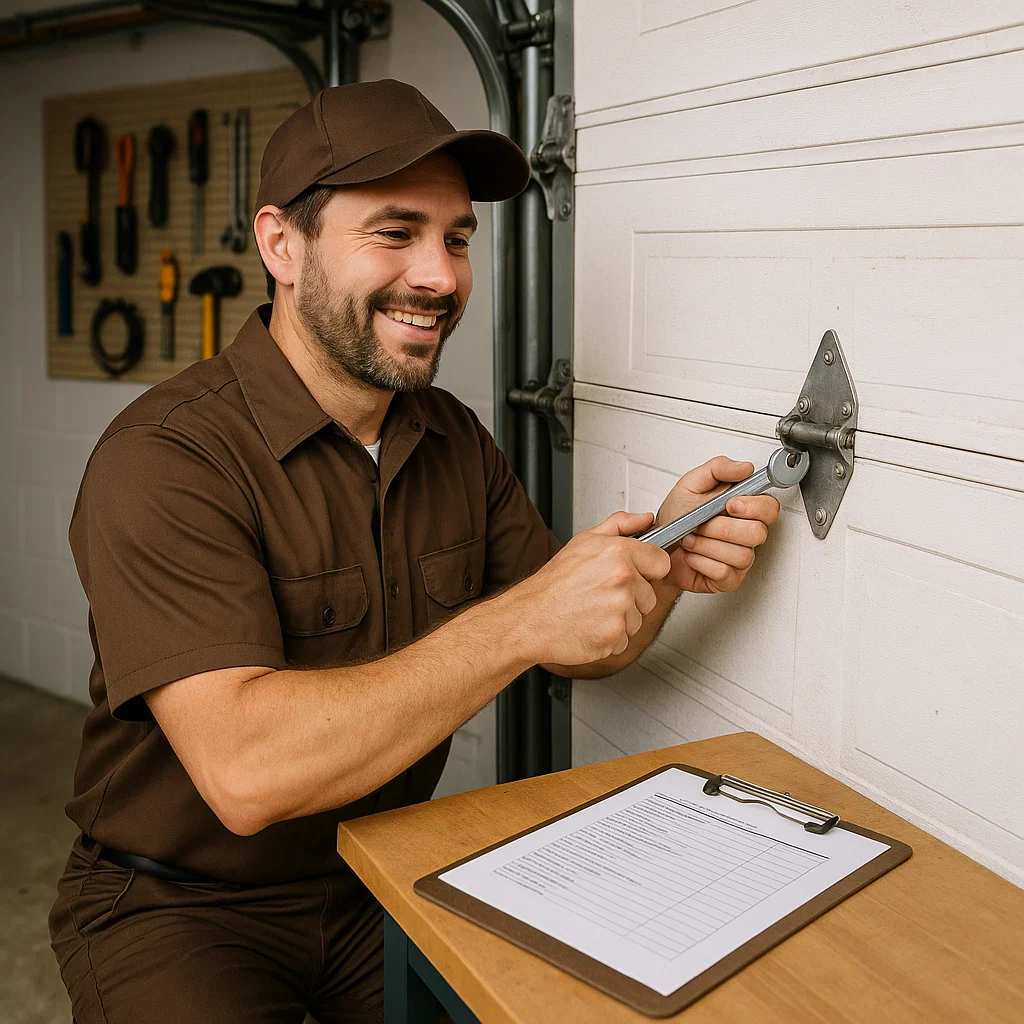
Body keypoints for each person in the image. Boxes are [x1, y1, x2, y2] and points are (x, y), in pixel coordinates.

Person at [49, 79, 780, 1023]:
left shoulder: (453, 439)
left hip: (376, 876)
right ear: (281, 246)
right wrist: (521, 621)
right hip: (176, 906)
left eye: (457, 239)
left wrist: (665, 559)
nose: (440, 276)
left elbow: (581, 645)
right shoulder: (166, 458)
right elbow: (245, 774)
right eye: (394, 233)